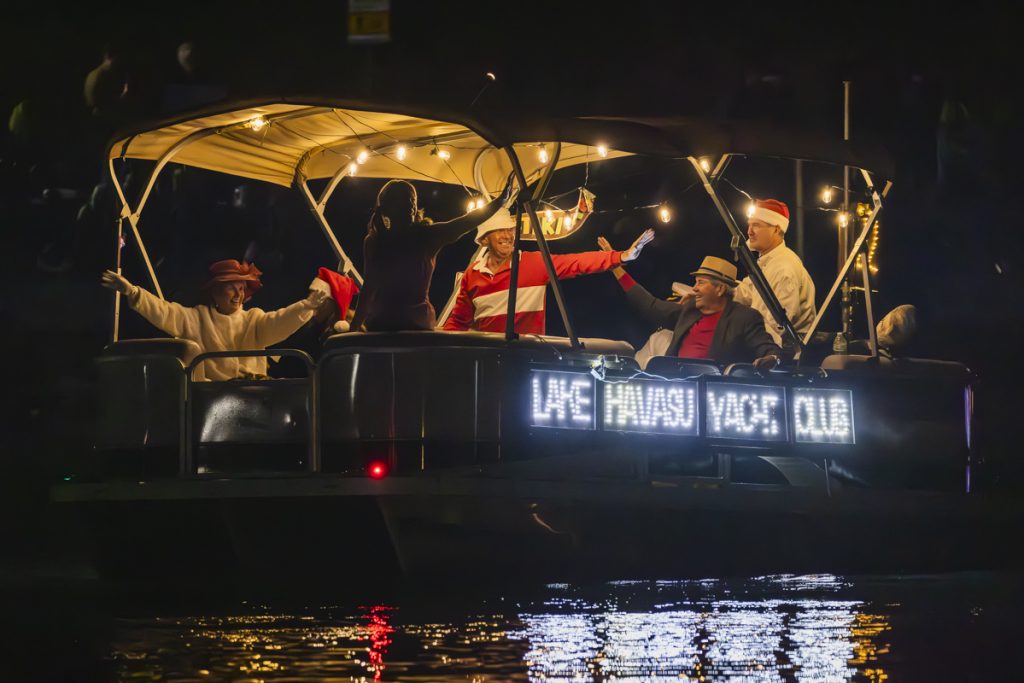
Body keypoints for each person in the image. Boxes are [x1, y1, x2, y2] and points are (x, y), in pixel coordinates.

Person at [100, 259, 326, 380]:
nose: (238, 295)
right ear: (215, 291)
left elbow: (279, 321)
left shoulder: (254, 321)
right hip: (212, 398)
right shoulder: (196, 318)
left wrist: (306, 305)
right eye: (231, 288)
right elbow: (164, 311)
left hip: (254, 393)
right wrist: (133, 292)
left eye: (241, 288)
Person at [442, 210, 653, 334]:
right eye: (500, 230)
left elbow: (576, 262)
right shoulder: (472, 275)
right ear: (484, 239)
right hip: (486, 360)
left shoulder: (533, 263)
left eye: (510, 230)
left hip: (524, 356)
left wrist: (621, 256)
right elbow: (458, 323)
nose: (507, 236)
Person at [351, 176, 516, 331]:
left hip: (405, 327)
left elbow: (467, 221)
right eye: (401, 200)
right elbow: (368, 289)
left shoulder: (426, 235)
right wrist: (353, 331)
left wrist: (500, 200)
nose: (410, 205)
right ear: (386, 208)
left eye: (412, 200)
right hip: (394, 327)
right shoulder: (375, 242)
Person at [607, 250, 782, 368]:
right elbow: (651, 306)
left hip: (714, 391)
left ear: (720, 289)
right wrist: (616, 268)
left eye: (701, 283)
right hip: (676, 385)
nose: (694, 288)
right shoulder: (690, 310)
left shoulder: (745, 317)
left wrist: (770, 359)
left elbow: (767, 348)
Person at [735, 198, 816, 346]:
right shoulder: (769, 262)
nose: (749, 232)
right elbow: (744, 292)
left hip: (783, 357)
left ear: (776, 229)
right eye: (749, 225)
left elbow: (776, 327)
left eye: (756, 225)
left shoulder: (783, 267)